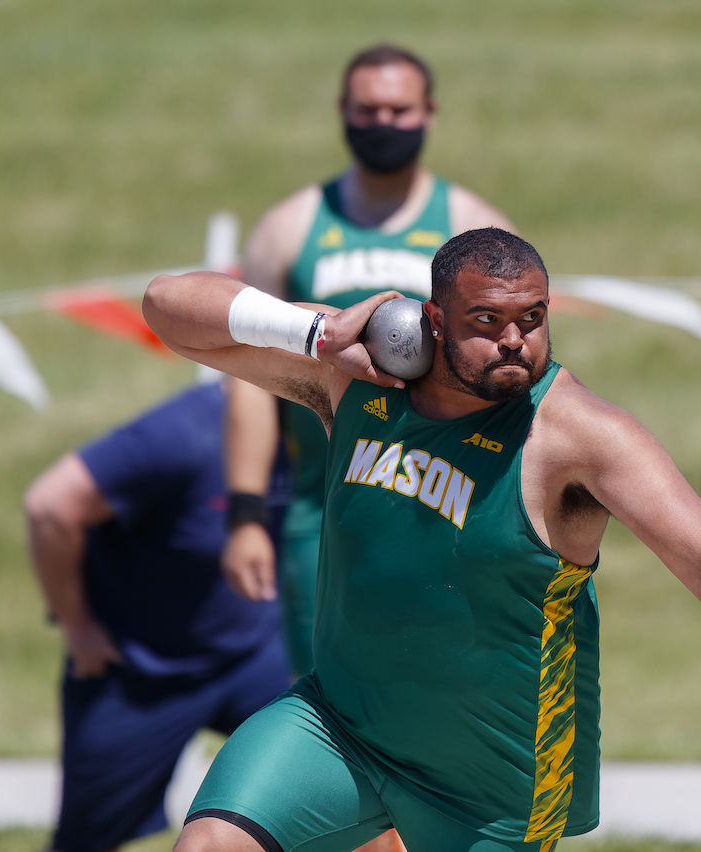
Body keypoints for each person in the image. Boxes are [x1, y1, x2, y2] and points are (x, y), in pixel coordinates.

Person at [142, 227, 701, 852]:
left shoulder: (582, 436)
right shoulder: (356, 380)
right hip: (340, 725)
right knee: (208, 842)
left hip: (495, 778)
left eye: (532, 317)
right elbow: (168, 309)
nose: (515, 341)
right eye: (487, 321)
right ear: (433, 318)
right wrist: (316, 333)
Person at [222, 43, 515, 687]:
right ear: (342, 111)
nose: (383, 122)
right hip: (321, 511)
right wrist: (245, 515)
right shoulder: (290, 228)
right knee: (333, 693)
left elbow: (513, 370)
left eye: (399, 109)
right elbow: (248, 379)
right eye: (368, 108)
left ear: (429, 112)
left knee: (443, 690)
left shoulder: (473, 224)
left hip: (445, 497)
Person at [24, 379, 293, 852]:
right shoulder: (181, 434)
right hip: (139, 667)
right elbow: (50, 506)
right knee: (86, 839)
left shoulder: (321, 431)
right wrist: (76, 625)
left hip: (253, 652)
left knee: (342, 778)